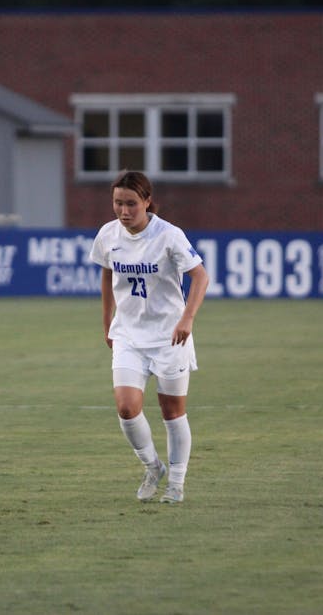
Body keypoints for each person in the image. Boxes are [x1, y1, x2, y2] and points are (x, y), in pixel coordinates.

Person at [89, 170, 210, 504]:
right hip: (128, 334)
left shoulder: (169, 236)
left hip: (170, 337)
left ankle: (177, 484)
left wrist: (187, 318)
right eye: (117, 203)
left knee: (172, 412)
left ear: (147, 202)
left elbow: (200, 277)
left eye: (131, 204)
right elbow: (106, 273)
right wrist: (106, 321)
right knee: (127, 407)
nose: (123, 211)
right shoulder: (108, 235)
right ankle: (152, 467)